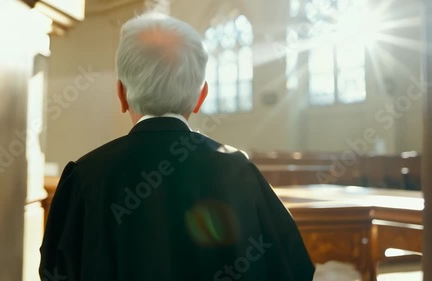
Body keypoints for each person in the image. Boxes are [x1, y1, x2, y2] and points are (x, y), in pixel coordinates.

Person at [39, 12, 314, 281]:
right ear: (201, 96)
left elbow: (55, 271)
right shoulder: (239, 171)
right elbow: (294, 269)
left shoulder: (85, 177)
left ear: (121, 94)